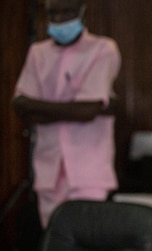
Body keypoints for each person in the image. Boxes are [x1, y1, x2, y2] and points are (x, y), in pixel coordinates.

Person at [12, 0, 121, 228]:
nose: (60, 20)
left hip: (88, 169)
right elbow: (21, 107)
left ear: (82, 11)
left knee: (87, 246)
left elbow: (87, 111)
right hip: (48, 166)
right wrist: (78, 108)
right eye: (54, 13)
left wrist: (40, 106)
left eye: (67, 12)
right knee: (54, 247)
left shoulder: (103, 49)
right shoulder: (37, 53)